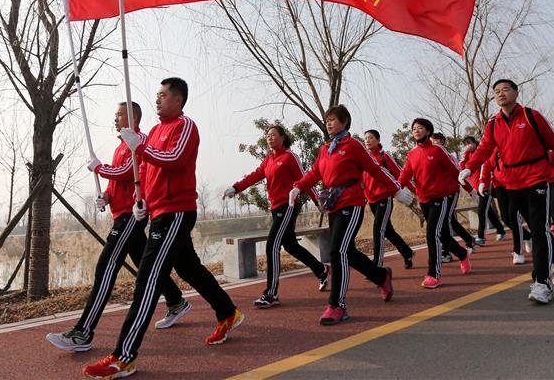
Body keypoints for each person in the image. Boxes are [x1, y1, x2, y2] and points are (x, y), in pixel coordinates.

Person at [83, 78, 243, 380]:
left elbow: (173, 159)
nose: (158, 100)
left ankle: (124, 357)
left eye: (163, 95)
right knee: (189, 269)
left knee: (147, 278)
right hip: (158, 212)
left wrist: (140, 146)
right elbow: (144, 170)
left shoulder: (185, 126)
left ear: (179, 99)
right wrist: (139, 200)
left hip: (176, 212)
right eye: (156, 95)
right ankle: (228, 312)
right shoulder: (155, 131)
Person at [47, 102, 190, 354]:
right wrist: (107, 197)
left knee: (106, 266)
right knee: (142, 262)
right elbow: (119, 183)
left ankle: (83, 332)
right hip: (120, 212)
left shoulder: (139, 141)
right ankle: (176, 300)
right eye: (115, 115)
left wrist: (100, 168)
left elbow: (128, 172)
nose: (115, 119)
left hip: (131, 216)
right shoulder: (120, 146)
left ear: (133, 117)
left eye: (119, 114)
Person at [460, 79, 554, 304]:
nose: (501, 94)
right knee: (535, 228)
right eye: (496, 92)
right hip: (512, 184)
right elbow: (484, 150)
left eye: (505, 90)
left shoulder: (532, 117)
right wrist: (469, 168)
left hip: (537, 180)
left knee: (540, 230)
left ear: (516, 92)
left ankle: (541, 283)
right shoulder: (493, 124)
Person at [290, 105, 396, 326]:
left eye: (333, 119)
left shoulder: (354, 145)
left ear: (345, 121)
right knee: (348, 251)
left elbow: (375, 169)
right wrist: (298, 187)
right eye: (327, 120)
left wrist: (397, 188)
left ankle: (337, 305)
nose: (329, 123)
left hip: (352, 203)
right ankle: (381, 276)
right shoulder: (326, 148)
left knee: (337, 251)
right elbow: (314, 172)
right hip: (333, 204)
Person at [223, 125, 329, 309]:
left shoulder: (289, 157)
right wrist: (236, 187)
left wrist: (317, 200)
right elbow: (254, 176)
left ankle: (271, 293)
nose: (269, 138)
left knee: (272, 246)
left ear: (283, 138)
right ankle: (321, 269)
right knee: (291, 245)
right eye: (267, 135)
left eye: (273, 135)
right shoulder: (268, 160)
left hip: (287, 206)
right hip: (275, 207)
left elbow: (305, 179)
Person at [400, 119, 472, 288]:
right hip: (424, 199)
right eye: (414, 129)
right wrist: (397, 189)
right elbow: (405, 173)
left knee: (432, 233)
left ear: (428, 131)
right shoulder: (412, 154)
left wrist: (470, 190)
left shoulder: (437, 150)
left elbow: (455, 171)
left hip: (441, 198)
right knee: (443, 235)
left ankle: (434, 274)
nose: (416, 131)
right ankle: (462, 253)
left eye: (420, 128)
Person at [363, 129, 416, 269]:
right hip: (372, 200)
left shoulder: (384, 156)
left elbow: (400, 173)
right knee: (388, 231)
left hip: (384, 199)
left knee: (378, 230)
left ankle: (377, 265)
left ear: (378, 140)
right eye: (366, 138)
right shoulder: (364, 159)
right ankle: (407, 252)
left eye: (371, 138)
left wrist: (412, 190)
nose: (368, 140)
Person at [432, 132, 475, 261]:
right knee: (448, 221)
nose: (434, 143)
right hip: (438, 193)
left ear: (443, 142)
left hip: (451, 191)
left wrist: (470, 190)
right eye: (432, 141)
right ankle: (468, 239)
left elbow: (458, 173)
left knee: (446, 221)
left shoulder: (448, 156)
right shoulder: (431, 156)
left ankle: (447, 252)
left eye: (437, 141)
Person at [463, 136, 506, 246]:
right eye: (466, 144)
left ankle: (481, 236)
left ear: (475, 142)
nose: (468, 146)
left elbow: (487, 165)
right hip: (477, 188)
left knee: (482, 211)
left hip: (487, 186)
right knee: (489, 212)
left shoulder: (481, 153)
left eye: (470, 143)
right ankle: (501, 229)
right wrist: (465, 156)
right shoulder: (467, 155)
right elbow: (462, 167)